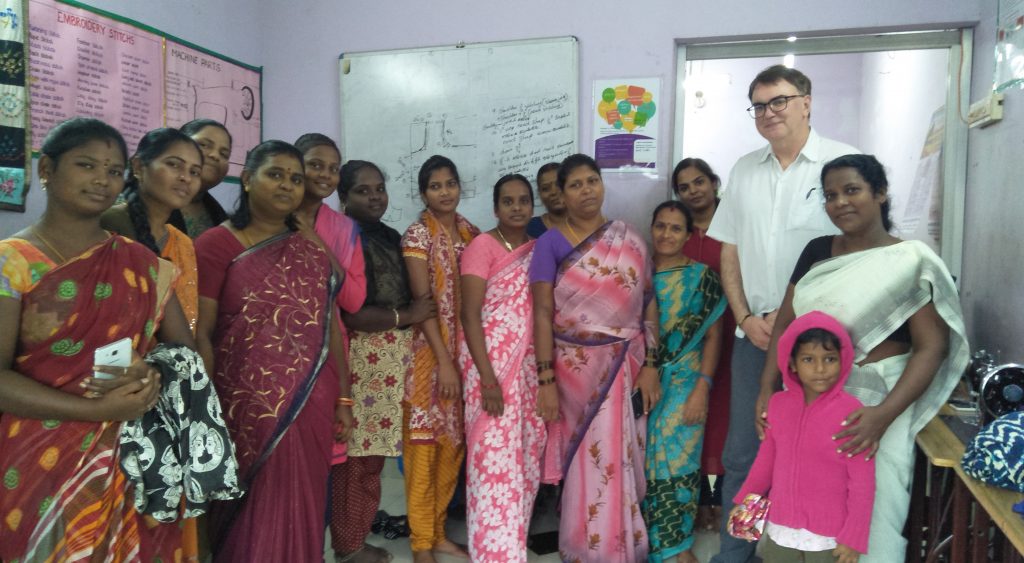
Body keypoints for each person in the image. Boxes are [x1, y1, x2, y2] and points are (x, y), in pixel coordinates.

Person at [755, 154, 968, 562]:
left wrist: (883, 415)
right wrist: (767, 388)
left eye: (852, 190)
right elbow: (785, 327)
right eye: (831, 195)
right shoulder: (817, 251)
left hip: (877, 402)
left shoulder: (910, 261)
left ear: (880, 194)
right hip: (810, 398)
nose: (840, 203)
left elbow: (931, 347)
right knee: (809, 496)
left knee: (877, 504)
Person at [0, 117, 195, 561]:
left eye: (113, 171)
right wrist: (93, 410)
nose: (102, 181)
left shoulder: (142, 263)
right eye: (87, 165)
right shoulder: (11, 263)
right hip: (35, 456)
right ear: (46, 169)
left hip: (128, 448)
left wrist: (150, 371)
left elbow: (182, 355)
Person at [706, 64, 859, 563]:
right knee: (744, 453)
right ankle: (736, 554)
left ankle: (817, 550)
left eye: (780, 101)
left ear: (807, 102)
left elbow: (860, 251)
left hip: (825, 343)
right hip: (757, 335)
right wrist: (745, 316)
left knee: (824, 452)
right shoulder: (744, 170)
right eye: (759, 105)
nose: (769, 113)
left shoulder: (842, 166)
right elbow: (730, 251)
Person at [195, 140, 353, 562]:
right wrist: (203, 409)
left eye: (296, 179)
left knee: (302, 504)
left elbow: (329, 328)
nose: (287, 185)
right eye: (275, 174)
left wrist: (343, 396)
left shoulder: (308, 250)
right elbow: (201, 332)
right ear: (247, 179)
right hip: (241, 405)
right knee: (247, 510)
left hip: (311, 400)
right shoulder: (215, 245)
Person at [531, 153, 661, 562]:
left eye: (592, 181)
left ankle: (622, 542)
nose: (586, 190)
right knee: (589, 459)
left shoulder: (630, 238)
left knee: (622, 456)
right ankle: (591, 549)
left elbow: (648, 304)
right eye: (576, 185)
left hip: (628, 363)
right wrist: (545, 379)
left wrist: (652, 365)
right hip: (574, 373)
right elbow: (542, 312)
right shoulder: (549, 243)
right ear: (562, 195)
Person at [332, 160, 435, 563]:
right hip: (363, 359)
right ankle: (349, 546)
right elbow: (352, 313)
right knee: (357, 460)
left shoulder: (388, 235)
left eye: (379, 188)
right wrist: (408, 316)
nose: (375, 197)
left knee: (371, 459)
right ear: (343, 197)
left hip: (391, 360)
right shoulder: (345, 238)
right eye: (363, 190)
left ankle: (354, 536)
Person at [736, 311, 875, 563]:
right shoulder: (778, 405)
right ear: (792, 364)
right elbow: (764, 465)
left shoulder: (852, 413)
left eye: (830, 359)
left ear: (842, 360)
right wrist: (748, 508)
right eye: (809, 359)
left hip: (829, 538)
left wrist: (853, 538)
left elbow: (862, 483)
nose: (820, 369)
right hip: (781, 529)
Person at [459, 174, 545, 562]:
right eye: (507, 201)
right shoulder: (482, 245)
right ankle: (492, 552)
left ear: (532, 206)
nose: (516, 207)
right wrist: (488, 378)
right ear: (495, 208)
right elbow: (470, 314)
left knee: (523, 459)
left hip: (525, 370)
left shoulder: (537, 249)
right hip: (489, 371)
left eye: (523, 200)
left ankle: (510, 542)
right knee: (491, 462)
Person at [401, 155, 480, 563]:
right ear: (423, 193)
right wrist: (444, 362)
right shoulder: (417, 236)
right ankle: (420, 544)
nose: (445, 192)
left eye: (450, 183)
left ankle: (437, 534)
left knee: (452, 447)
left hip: (463, 355)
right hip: (427, 359)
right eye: (436, 186)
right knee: (423, 449)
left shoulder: (471, 233)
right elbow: (422, 302)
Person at [645, 201, 726, 563]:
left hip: (687, 386)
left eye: (675, 228)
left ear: (688, 234)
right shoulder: (638, 274)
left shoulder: (702, 277)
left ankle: (678, 547)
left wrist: (702, 388)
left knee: (679, 465)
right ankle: (652, 543)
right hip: (643, 386)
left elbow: (713, 337)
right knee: (644, 465)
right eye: (660, 226)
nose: (666, 234)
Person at [673, 157, 733, 531]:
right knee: (689, 421)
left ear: (713, 183)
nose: (694, 191)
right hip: (686, 348)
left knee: (723, 423)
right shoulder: (676, 232)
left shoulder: (734, 230)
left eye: (699, 182)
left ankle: (717, 500)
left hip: (730, 338)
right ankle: (691, 500)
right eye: (684, 186)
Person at [102, 127, 204, 333]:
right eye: (174, 165)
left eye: (194, 172)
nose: (186, 178)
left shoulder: (182, 244)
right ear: (138, 167)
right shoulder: (110, 224)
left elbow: (187, 320)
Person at [170, 119, 233, 238]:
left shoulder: (220, 217)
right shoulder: (145, 200)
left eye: (224, 154)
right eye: (204, 145)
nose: (215, 155)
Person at [526, 162, 564, 238]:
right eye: (545, 189)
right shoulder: (532, 228)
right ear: (539, 194)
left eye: (558, 185)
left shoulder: (586, 222)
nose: (553, 192)